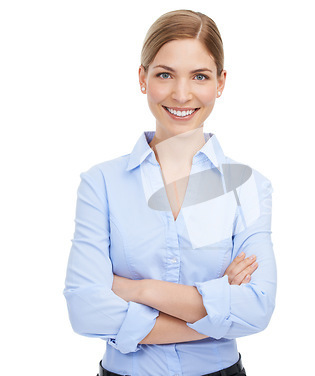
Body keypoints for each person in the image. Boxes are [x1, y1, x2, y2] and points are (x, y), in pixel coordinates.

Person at [63, 9, 277, 376]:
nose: (182, 94)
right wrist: (215, 308)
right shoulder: (101, 183)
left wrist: (138, 290)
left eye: (199, 76)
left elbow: (257, 308)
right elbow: (85, 310)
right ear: (143, 78)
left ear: (220, 83)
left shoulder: (249, 185)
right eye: (165, 74)